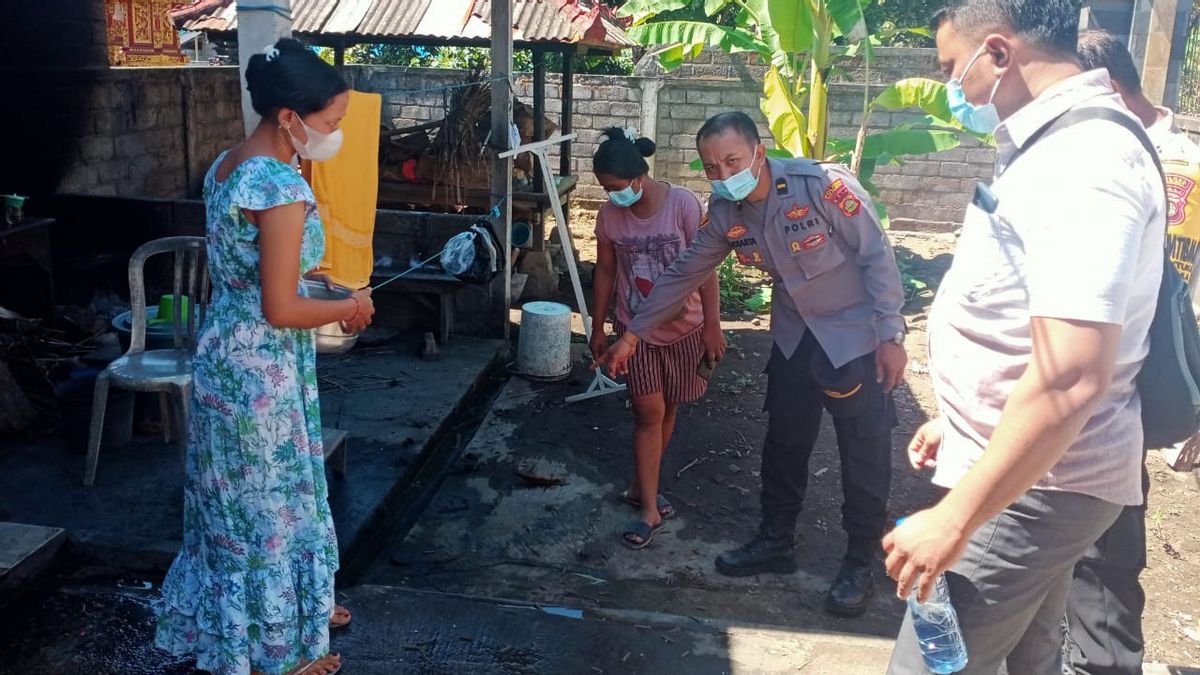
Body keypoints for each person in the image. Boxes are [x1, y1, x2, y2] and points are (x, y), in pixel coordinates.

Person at [883, 3, 1164, 673]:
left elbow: (1070, 375)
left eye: (956, 69)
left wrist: (954, 521)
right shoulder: (1058, 145)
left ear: (1000, 55)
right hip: (1035, 470)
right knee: (1028, 661)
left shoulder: (1084, 162)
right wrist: (963, 417)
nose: (956, 90)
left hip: (1039, 486)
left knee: (926, 666)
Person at [596, 111, 907, 616]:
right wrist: (632, 335)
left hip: (856, 337)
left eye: (731, 160)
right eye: (712, 167)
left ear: (758, 151)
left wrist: (891, 334)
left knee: (863, 451)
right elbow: (683, 273)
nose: (723, 174)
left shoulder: (822, 186)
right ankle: (776, 540)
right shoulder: (725, 212)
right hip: (793, 336)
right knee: (784, 442)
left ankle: (859, 559)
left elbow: (876, 255)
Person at [154, 38, 374, 675]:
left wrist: (321, 284)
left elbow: (251, 277)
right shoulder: (277, 184)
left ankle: (276, 615)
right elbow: (280, 308)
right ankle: (280, 652)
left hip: (225, 352)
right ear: (290, 117)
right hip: (262, 371)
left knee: (232, 499)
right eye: (330, 123)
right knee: (271, 504)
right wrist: (349, 305)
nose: (334, 135)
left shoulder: (227, 164)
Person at [1064, 30, 1200, 675]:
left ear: (1104, 89)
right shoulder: (1093, 148)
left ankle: (1103, 658)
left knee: (1109, 539)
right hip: (1095, 367)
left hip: (1140, 374)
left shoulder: (1179, 164)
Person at [589, 127, 723, 550]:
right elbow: (606, 271)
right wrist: (597, 325)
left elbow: (705, 269)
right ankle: (649, 507)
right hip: (636, 329)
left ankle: (639, 487)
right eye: (605, 190)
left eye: (614, 187)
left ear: (636, 177)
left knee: (669, 411)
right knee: (649, 413)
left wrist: (714, 327)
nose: (611, 196)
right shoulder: (609, 216)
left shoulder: (682, 204)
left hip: (686, 329)